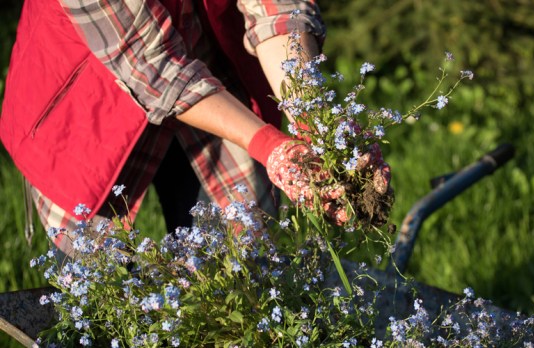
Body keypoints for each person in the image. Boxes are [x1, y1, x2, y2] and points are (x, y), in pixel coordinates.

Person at [0, 0, 389, 257]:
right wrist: (270, 145)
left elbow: (278, 7)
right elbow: (157, 67)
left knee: (243, 263)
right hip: (90, 103)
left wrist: (312, 119)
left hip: (210, 71)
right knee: (99, 292)